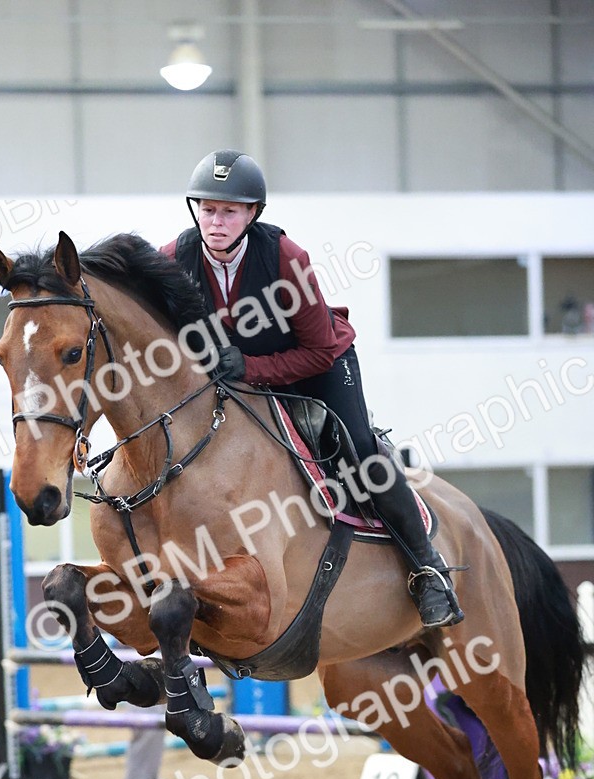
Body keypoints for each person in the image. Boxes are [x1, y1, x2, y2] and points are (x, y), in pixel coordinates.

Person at [159, 149, 463, 629]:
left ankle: (427, 568)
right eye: (208, 209)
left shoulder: (285, 257)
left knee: (359, 451)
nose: (215, 222)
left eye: (229, 211)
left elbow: (318, 351)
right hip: (237, 374)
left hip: (320, 362)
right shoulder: (174, 260)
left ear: (252, 213)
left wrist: (250, 368)